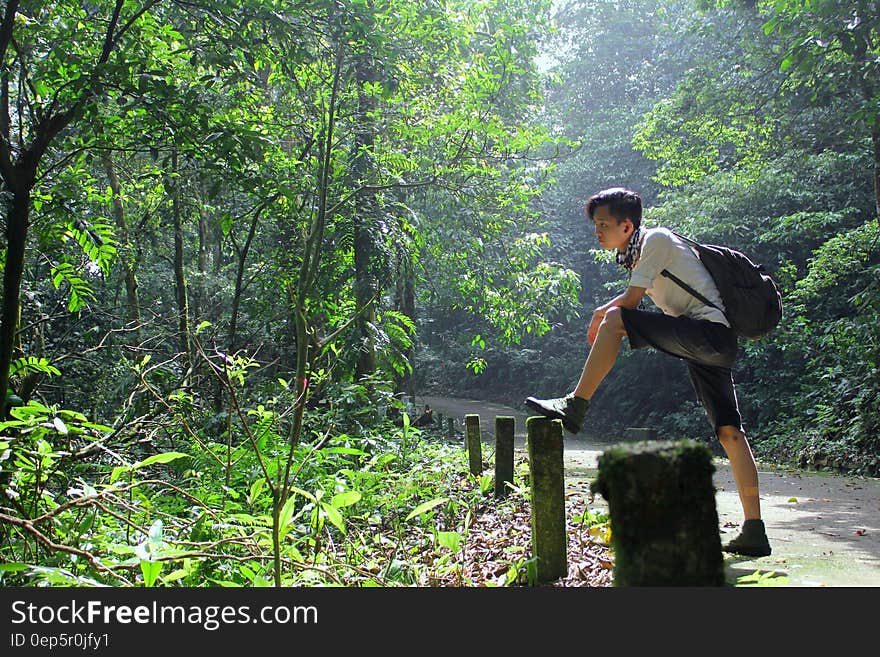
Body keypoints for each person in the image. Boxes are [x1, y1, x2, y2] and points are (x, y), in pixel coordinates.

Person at [525, 187, 771, 557]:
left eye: (604, 224)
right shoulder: (638, 253)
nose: (598, 232)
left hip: (709, 335)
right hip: (709, 344)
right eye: (596, 225)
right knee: (729, 433)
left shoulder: (655, 239)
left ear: (627, 225)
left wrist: (600, 314)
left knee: (615, 318)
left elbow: (630, 303)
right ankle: (755, 531)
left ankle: (576, 404)